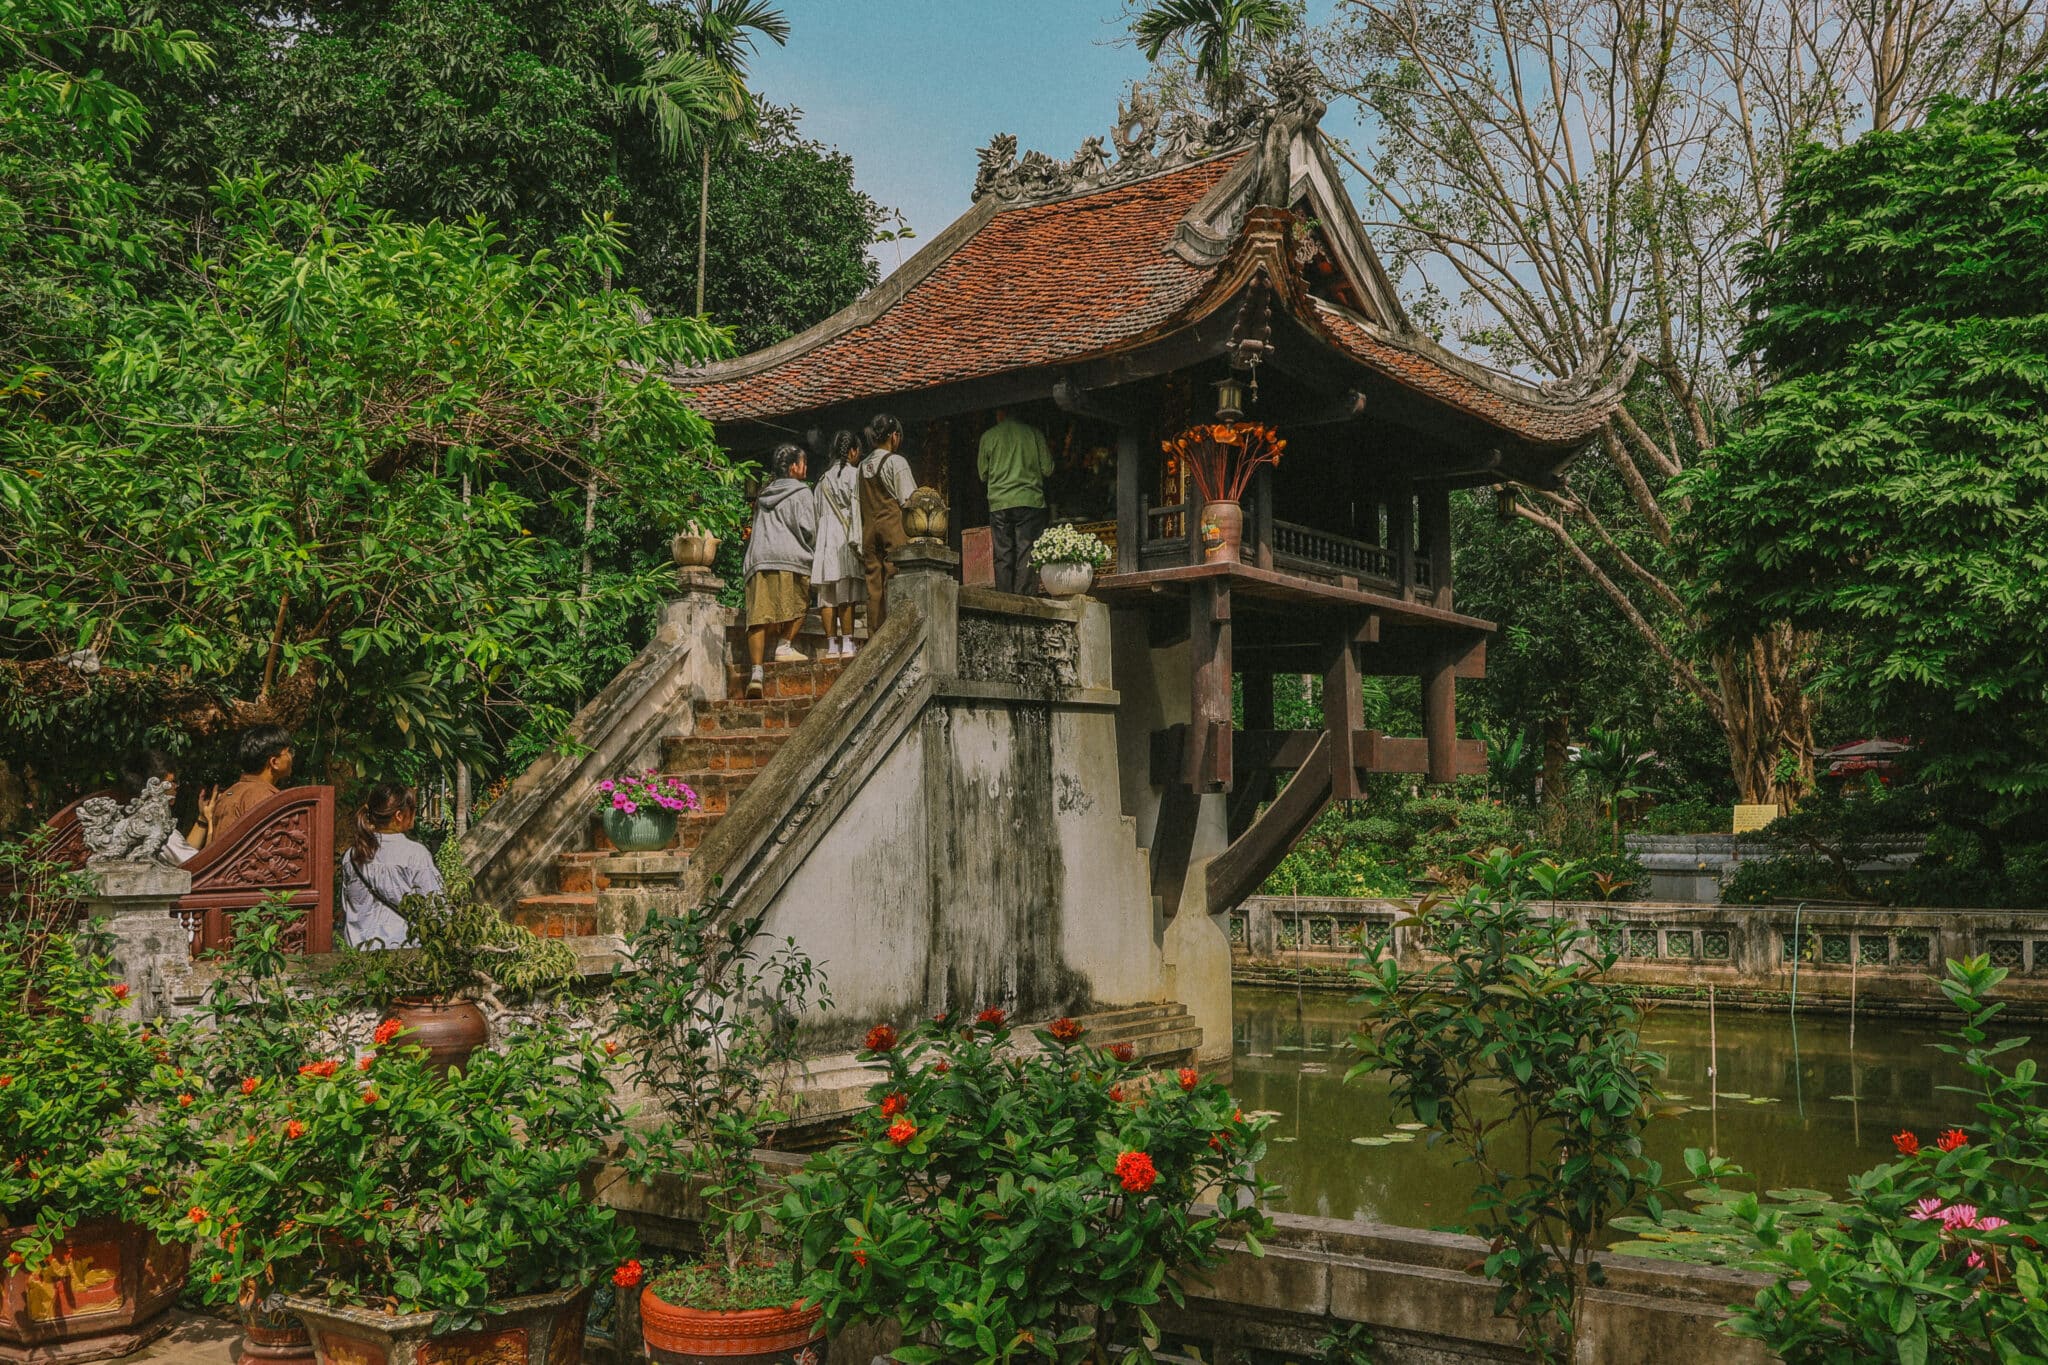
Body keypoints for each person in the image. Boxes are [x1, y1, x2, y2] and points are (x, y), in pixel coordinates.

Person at [741, 443, 818, 698]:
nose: (805, 469)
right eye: (803, 463)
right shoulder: (802, 493)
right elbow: (809, 529)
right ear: (794, 467)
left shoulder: (763, 495)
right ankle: (785, 644)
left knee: (758, 616)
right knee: (799, 602)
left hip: (760, 558)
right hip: (790, 558)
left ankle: (756, 673)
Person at [339, 783, 441, 949]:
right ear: (399, 815)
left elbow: (347, 906)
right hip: (401, 957)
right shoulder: (415, 855)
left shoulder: (352, 855)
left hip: (358, 956)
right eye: (413, 808)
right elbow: (437, 909)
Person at [978, 407, 1053, 595]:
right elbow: (1048, 469)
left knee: (1003, 554)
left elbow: (983, 474)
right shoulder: (1034, 434)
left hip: (999, 503)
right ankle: (1024, 597)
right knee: (1026, 550)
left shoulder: (988, 436)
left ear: (999, 414)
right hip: (1030, 501)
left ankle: (1004, 598)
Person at [810, 429, 866, 659]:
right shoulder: (855, 476)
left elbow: (815, 514)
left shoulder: (821, 481)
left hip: (825, 539)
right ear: (853, 451)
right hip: (845, 537)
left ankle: (831, 645)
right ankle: (848, 642)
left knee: (827, 595)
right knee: (846, 594)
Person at [858, 413, 916, 629]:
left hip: (869, 529)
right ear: (894, 436)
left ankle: (875, 635)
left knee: (873, 586)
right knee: (895, 577)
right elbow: (910, 499)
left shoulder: (862, 466)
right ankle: (897, 631)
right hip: (892, 527)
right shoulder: (896, 462)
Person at [194, 725, 293, 850]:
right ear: (274, 762)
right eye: (288, 752)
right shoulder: (264, 797)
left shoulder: (231, 792)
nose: (291, 757)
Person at [114, 749, 216, 867]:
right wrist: (210, 822)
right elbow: (204, 866)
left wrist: (202, 818)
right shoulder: (159, 831)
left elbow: (183, 853)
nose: (176, 786)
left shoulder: (131, 822)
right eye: (172, 782)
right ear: (154, 787)